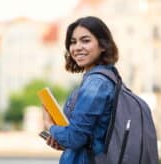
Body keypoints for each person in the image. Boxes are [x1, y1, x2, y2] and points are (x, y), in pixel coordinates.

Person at [42, 16, 119, 164]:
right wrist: (61, 140)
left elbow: (75, 137)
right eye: (73, 42)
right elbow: (84, 138)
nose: (77, 47)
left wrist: (49, 126)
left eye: (85, 40)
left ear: (103, 45)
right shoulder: (106, 78)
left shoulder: (96, 84)